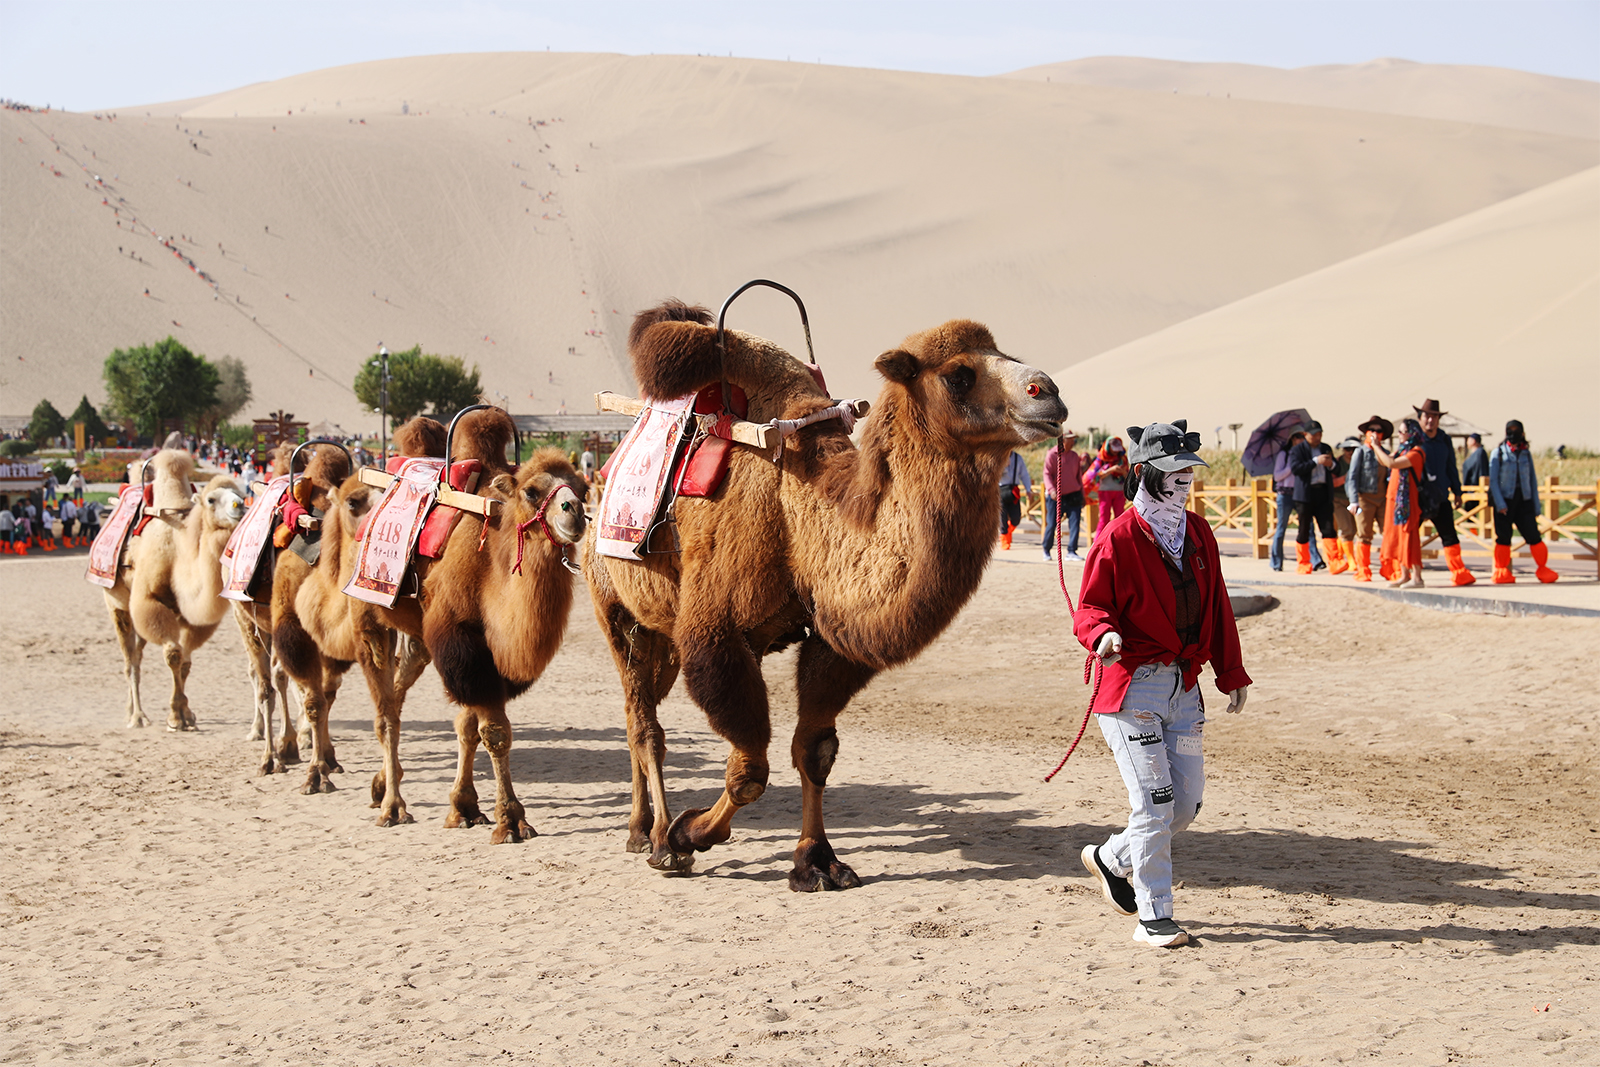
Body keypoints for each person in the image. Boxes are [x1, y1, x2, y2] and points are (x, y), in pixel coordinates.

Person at [1074, 419, 1251, 950]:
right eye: (1174, 471)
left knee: (1185, 806)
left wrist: (1231, 671)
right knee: (1153, 804)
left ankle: (1112, 858)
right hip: (1132, 692)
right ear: (1148, 473)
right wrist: (1102, 634)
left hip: (1184, 690)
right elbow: (1091, 608)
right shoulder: (1118, 537)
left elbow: (1217, 603)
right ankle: (1155, 916)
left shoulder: (1198, 533)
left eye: (1189, 471)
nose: (1185, 481)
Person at [1413, 399, 1475, 586]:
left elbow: (1451, 467)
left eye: (1434, 417)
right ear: (1420, 418)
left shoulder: (1444, 439)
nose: (1430, 420)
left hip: (1440, 496)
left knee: (1449, 536)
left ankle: (1458, 572)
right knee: (1408, 536)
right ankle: (1401, 571)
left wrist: (1457, 491)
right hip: (1417, 497)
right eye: (1427, 416)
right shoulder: (1413, 439)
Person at [1489, 420, 1559, 584]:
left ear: (1522, 433)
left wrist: (1536, 505)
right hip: (1505, 500)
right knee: (1503, 537)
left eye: (1516, 431)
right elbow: (1493, 481)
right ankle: (1502, 571)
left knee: (1534, 536)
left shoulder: (1526, 454)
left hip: (1524, 500)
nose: (1513, 434)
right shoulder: (1498, 453)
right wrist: (1500, 504)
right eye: (1510, 431)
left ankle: (1543, 568)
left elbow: (1532, 480)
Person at [1373, 418, 1427, 588]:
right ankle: (1404, 575)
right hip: (1396, 501)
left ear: (1412, 434)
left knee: (1409, 537)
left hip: (1408, 502)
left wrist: (1376, 446)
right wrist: (1375, 445)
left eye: (1402, 432)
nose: (1399, 435)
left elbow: (1391, 463)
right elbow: (1384, 460)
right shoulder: (1401, 451)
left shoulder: (1417, 453)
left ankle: (1417, 577)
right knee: (1398, 537)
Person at [1288, 421, 1348, 575]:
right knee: (1304, 530)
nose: (1317, 437)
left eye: (1320, 434)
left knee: (1328, 528)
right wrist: (1315, 462)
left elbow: (1337, 468)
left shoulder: (1325, 448)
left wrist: (1331, 464)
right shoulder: (1297, 450)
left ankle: (1334, 562)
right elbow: (1296, 469)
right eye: (1314, 434)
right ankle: (1303, 563)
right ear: (1305, 435)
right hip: (1305, 495)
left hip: (1323, 492)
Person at [1269, 431, 1323, 572]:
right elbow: (1277, 475)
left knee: (1308, 527)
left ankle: (1315, 559)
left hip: (1300, 493)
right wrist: (1291, 468)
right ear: (1292, 439)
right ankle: (1276, 562)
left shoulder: (1305, 453)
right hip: (1285, 494)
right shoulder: (1284, 454)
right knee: (1281, 528)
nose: (1301, 439)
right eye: (1298, 437)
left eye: (1303, 436)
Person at [1346, 416, 1391, 581]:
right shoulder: (1360, 452)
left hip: (1383, 498)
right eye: (1372, 430)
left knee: (1388, 532)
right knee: (1364, 534)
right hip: (1364, 498)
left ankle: (1389, 567)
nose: (1375, 433)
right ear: (1366, 433)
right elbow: (1352, 477)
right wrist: (1353, 501)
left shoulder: (1385, 453)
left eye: (1379, 431)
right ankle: (1363, 569)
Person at [1042, 430, 1088, 561]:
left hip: (1073, 495)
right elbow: (1047, 474)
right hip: (1055, 497)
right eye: (1070, 439)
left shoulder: (1074, 456)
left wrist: (1082, 494)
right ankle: (1046, 549)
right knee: (1052, 524)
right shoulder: (1052, 455)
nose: (1073, 442)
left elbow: (1079, 476)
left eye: (1073, 439)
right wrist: (1051, 490)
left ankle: (1072, 551)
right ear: (1063, 440)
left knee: (1075, 524)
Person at [1084, 437, 1129, 539]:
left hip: (1119, 491)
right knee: (1104, 518)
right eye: (1114, 448)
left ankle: (1120, 540)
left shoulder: (1122, 460)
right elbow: (1096, 475)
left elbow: (1128, 476)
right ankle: (1098, 542)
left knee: (1119, 518)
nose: (1115, 451)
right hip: (1105, 491)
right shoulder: (1101, 459)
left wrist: (1123, 472)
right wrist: (1111, 470)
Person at [1332, 436, 1359, 570]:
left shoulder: (1361, 462)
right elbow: (1331, 483)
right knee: (1346, 528)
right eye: (1347, 449)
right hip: (1339, 500)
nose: (1350, 452)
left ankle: (1344, 555)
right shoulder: (1337, 464)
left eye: (1353, 449)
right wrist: (1346, 478)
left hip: (1356, 501)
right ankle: (1350, 560)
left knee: (1357, 529)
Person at [997, 449, 1032, 550]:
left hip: (1013, 491)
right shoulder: (999, 457)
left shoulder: (1018, 458)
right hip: (1001, 490)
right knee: (1002, 518)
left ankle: (1008, 531)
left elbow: (1024, 474)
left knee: (1016, 518)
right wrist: (1004, 467)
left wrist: (1028, 489)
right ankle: (1004, 541)